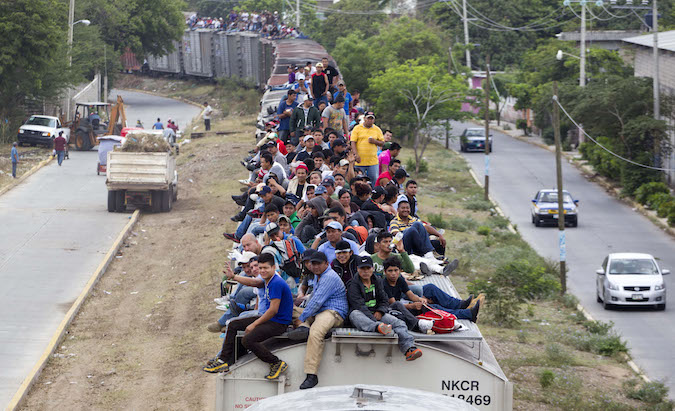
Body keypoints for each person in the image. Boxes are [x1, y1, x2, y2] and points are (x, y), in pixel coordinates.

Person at [203, 253, 293, 381]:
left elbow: (273, 310)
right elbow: (253, 282)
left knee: (248, 340)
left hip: (279, 323)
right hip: (270, 319)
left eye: (265, 268)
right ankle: (223, 360)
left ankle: (276, 363)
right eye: (260, 268)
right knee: (233, 324)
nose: (262, 271)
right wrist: (234, 276)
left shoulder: (276, 283)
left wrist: (254, 324)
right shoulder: (268, 280)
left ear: (273, 267)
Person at [287, 251, 348, 390]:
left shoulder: (329, 277)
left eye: (318, 263)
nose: (314, 266)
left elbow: (316, 302)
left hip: (333, 312)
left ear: (326, 264)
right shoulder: (317, 276)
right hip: (319, 311)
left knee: (315, 332)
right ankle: (304, 327)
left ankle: (311, 375)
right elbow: (313, 300)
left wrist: (302, 317)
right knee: (287, 310)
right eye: (312, 263)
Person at [347, 256, 423, 361]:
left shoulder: (377, 280)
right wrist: (375, 321)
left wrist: (380, 311)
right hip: (362, 315)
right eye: (362, 268)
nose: (365, 271)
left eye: (368, 268)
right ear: (357, 269)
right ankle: (377, 327)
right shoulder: (353, 284)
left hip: (376, 312)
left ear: (372, 269)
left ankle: (409, 348)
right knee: (355, 314)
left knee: (399, 323)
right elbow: (359, 306)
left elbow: (384, 300)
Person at [382, 256, 480, 323]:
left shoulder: (399, 280)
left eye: (396, 270)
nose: (393, 273)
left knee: (429, 299)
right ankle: (467, 314)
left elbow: (410, 295)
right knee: (433, 308)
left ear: (399, 271)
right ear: (385, 272)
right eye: (390, 271)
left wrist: (420, 300)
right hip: (394, 311)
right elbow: (394, 305)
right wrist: (412, 306)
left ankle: (461, 305)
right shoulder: (384, 284)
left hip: (402, 305)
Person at [390, 200, 456, 270]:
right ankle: (429, 255)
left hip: (416, 245)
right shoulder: (394, 221)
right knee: (413, 229)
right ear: (398, 210)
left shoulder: (413, 219)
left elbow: (426, 227)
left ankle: (429, 256)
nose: (405, 210)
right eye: (403, 208)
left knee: (418, 225)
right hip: (404, 245)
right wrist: (410, 231)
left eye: (407, 208)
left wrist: (439, 235)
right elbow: (396, 234)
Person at [208, 252, 263, 331]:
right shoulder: (249, 274)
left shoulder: (265, 278)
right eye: (245, 267)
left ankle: (225, 321)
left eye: (254, 266)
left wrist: (234, 276)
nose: (248, 269)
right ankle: (231, 310)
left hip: (268, 316)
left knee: (244, 292)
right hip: (260, 311)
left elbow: (257, 284)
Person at [350, 111, 384, 183]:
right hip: (360, 161)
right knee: (358, 180)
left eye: (372, 119)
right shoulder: (357, 128)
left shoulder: (377, 129)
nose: (370, 120)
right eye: (368, 118)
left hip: (372, 161)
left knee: (374, 180)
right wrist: (356, 155)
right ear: (365, 118)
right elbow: (353, 142)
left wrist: (375, 141)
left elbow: (382, 143)